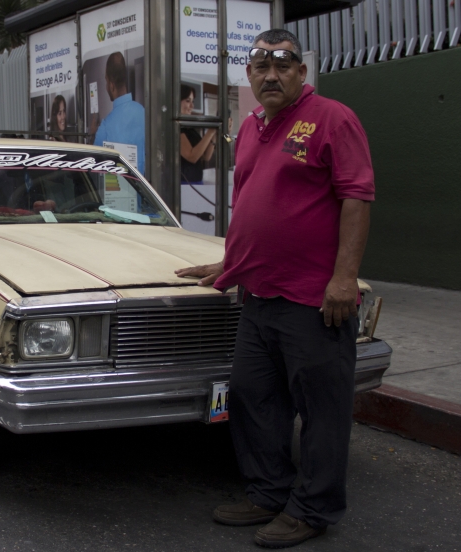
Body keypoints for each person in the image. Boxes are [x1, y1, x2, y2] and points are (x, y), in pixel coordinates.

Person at [175, 28, 375, 549]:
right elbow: (251, 205)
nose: (271, 75)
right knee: (250, 395)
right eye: (261, 66)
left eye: (282, 65)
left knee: (322, 411)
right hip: (259, 296)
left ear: (301, 73)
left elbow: (357, 196)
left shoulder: (332, 118)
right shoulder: (251, 126)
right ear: (249, 74)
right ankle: (268, 491)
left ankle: (314, 507)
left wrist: (344, 278)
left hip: (313, 300)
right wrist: (229, 262)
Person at [92, 52, 145, 173]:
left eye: (106, 81)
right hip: (144, 191)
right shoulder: (144, 113)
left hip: (117, 191)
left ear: (111, 85)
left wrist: (92, 135)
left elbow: (93, 166)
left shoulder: (105, 127)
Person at [179, 85, 217, 184]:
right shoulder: (176, 128)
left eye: (192, 101)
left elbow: (205, 156)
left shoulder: (190, 128)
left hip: (196, 182)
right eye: (188, 101)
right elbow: (192, 157)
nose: (192, 106)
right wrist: (210, 131)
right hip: (183, 183)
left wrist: (214, 133)